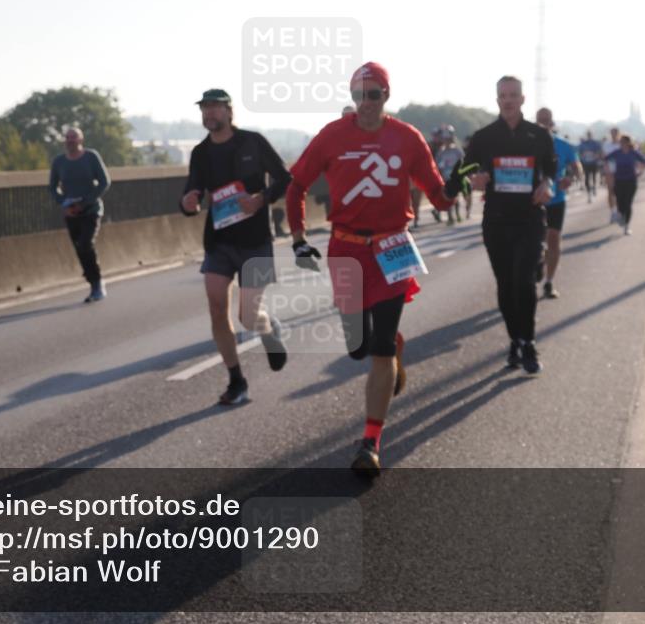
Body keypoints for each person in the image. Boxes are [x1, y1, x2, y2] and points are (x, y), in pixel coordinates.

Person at [286, 62, 462, 476]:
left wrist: (456, 187)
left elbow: (439, 198)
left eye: (373, 94)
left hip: (392, 246)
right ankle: (393, 345)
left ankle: (371, 442)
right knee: (357, 346)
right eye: (358, 94)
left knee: (378, 347)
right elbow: (296, 185)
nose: (365, 103)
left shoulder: (407, 138)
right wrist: (298, 238)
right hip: (346, 249)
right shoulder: (332, 135)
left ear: (386, 96)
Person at [180, 89, 291, 406]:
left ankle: (269, 330)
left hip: (255, 240)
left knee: (248, 316)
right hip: (219, 242)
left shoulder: (252, 142)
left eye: (215, 107)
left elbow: (285, 178)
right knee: (216, 308)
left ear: (229, 111)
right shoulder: (201, 152)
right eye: (205, 108)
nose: (209, 113)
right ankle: (236, 380)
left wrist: (260, 199)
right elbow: (192, 190)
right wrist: (188, 202)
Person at [451, 76, 556, 374]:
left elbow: (550, 169)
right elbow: (464, 171)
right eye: (503, 95)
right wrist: (473, 179)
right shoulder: (484, 137)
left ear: (523, 99)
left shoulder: (539, 135)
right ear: (497, 99)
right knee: (506, 284)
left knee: (524, 281)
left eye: (513, 95)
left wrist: (547, 185)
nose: (508, 100)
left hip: (530, 218)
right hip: (497, 221)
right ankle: (515, 340)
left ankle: (529, 342)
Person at [49, 126, 111, 302]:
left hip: (91, 210)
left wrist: (84, 203)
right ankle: (92, 282)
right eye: (68, 138)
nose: (70, 141)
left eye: (74, 137)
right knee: (79, 249)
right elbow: (52, 187)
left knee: (85, 243)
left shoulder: (91, 157)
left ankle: (97, 282)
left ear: (81, 140)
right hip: (71, 212)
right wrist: (63, 203)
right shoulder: (59, 162)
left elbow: (104, 182)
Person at [537, 109, 581, 300]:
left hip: (556, 200)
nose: (542, 124)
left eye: (546, 121)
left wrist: (570, 178)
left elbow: (576, 167)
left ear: (551, 123)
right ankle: (538, 262)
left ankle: (549, 282)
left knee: (553, 239)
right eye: (539, 120)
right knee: (534, 241)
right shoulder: (526, 144)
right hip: (532, 201)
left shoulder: (563, 145)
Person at [605, 135, 645, 235]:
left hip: (631, 180)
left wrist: (640, 171)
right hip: (619, 180)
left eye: (623, 142)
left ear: (628, 143)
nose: (621, 143)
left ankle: (627, 226)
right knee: (620, 203)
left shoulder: (634, 153)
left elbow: (644, 161)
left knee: (628, 203)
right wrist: (609, 171)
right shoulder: (617, 152)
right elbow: (606, 159)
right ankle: (621, 216)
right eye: (620, 142)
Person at [435, 130, 465, 225]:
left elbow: (463, 161)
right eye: (445, 140)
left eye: (448, 139)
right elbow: (436, 164)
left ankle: (457, 213)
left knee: (456, 196)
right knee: (448, 196)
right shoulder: (441, 152)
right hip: (445, 177)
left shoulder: (457, 150)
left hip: (455, 177)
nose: (446, 141)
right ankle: (450, 216)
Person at [577, 129, 603, 203]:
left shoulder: (595, 143)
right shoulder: (583, 143)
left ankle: (594, 187)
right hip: (586, 163)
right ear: (587, 135)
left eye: (590, 135)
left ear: (592, 135)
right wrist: (582, 157)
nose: (589, 136)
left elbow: (599, 151)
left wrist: (596, 155)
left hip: (594, 163)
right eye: (588, 135)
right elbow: (579, 152)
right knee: (587, 178)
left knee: (594, 176)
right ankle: (589, 194)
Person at [602, 127, 622, 223]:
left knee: (619, 192)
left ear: (618, 134)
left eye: (615, 133)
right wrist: (606, 168)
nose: (613, 135)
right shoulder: (606, 145)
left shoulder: (622, 144)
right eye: (612, 133)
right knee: (610, 191)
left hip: (621, 171)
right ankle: (613, 212)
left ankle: (619, 211)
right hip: (609, 171)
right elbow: (604, 157)